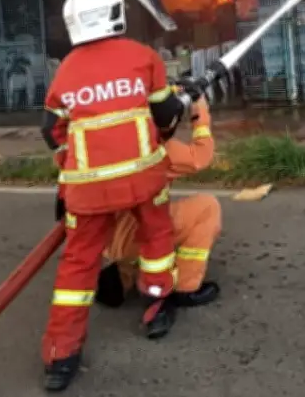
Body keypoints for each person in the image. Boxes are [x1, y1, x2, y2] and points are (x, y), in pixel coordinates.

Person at [39, 0, 183, 393]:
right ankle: (156, 307)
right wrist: (182, 107)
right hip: (143, 181)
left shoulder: (65, 70)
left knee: (77, 266)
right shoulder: (143, 57)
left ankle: (61, 356)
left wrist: (73, 164)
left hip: (86, 193)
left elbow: (51, 131)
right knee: (156, 236)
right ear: (116, 14)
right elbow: (166, 115)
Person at [95, 93, 222, 309]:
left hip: (104, 237)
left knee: (134, 213)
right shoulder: (158, 148)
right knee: (207, 208)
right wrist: (199, 112)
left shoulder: (102, 141)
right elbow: (201, 157)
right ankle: (186, 287)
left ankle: (124, 274)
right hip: (142, 234)